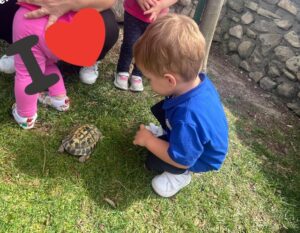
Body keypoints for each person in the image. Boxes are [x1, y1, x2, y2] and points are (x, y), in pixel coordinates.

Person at [133, 14, 229, 198]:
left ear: (170, 80)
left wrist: (149, 141)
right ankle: (171, 137)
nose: (147, 82)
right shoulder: (195, 82)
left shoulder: (188, 118)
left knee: (153, 160)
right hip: (191, 136)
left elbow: (181, 159)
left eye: (149, 78)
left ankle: (181, 176)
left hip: (198, 157)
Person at [0, 0, 119, 84]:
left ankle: (91, 59)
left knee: (107, 28)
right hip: (35, 9)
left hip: (80, 8)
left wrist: (72, 3)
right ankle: (22, 50)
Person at [114, 0, 177, 92]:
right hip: (134, 12)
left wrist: (161, 5)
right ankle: (122, 70)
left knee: (148, 47)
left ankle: (138, 73)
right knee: (130, 43)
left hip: (156, 16)